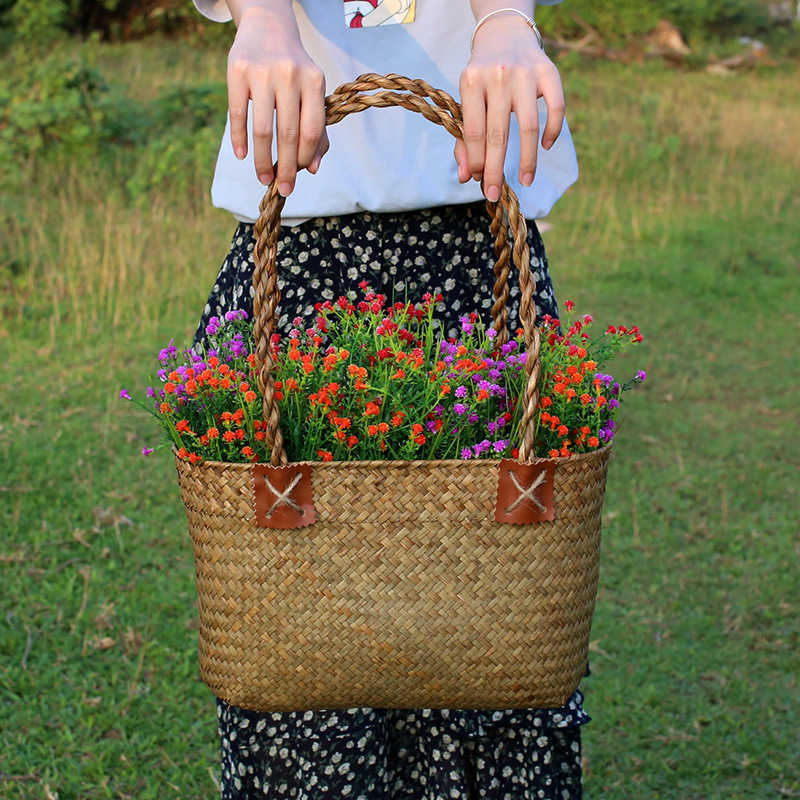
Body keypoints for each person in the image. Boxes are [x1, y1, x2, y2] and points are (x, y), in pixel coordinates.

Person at [191, 1, 588, 798]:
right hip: (296, 253)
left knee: (492, 643)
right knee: (299, 663)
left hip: (479, 241)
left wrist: (504, 23)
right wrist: (264, 21)